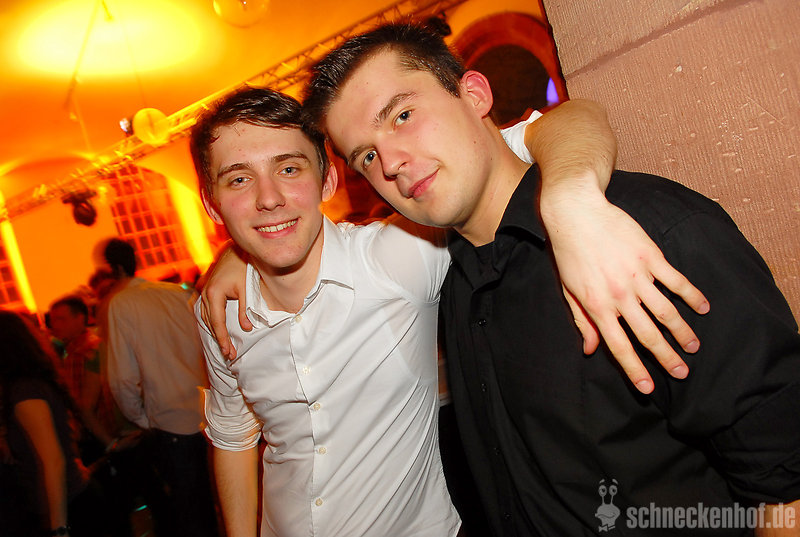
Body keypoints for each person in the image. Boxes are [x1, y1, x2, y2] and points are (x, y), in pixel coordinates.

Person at [298, 22, 800, 536]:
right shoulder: (449, 281)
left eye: (403, 116)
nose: (391, 163)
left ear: (474, 95)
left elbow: (785, 490)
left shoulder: (647, 234)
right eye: (367, 156)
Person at [101, 238, 219, 537]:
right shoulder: (175, 293)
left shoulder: (121, 303)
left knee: (191, 513)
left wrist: (141, 417)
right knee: (220, 503)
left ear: (114, 269)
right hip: (209, 412)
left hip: (171, 422)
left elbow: (122, 379)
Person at [0, 310, 108, 537]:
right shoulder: (26, 386)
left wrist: (58, 529)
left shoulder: (25, 392)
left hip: (70, 507)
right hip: (70, 500)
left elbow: (53, 461)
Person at [48, 295, 116, 463]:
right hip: (97, 435)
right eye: (53, 320)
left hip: (100, 435)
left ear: (80, 318)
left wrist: (110, 442)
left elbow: (85, 405)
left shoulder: (87, 351)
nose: (55, 325)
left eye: (61, 319)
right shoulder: (71, 351)